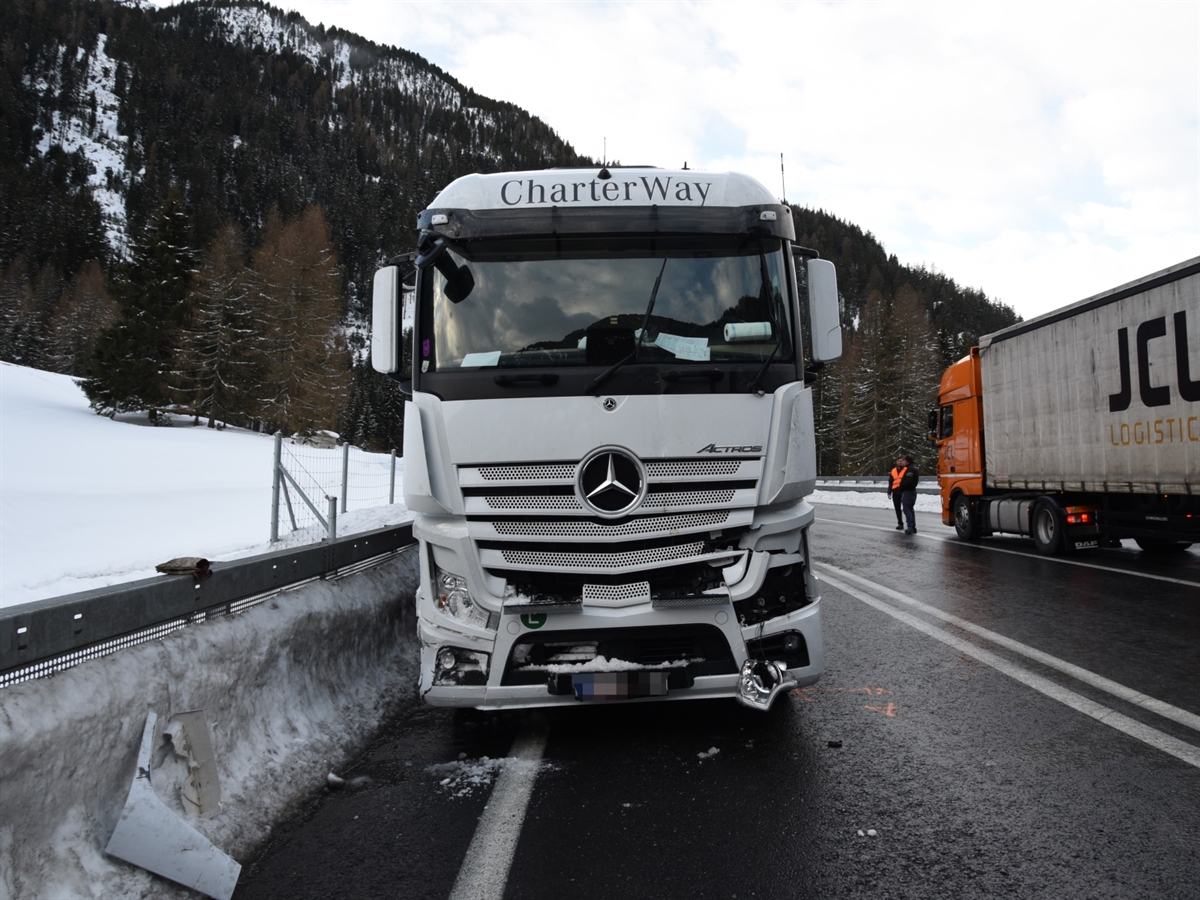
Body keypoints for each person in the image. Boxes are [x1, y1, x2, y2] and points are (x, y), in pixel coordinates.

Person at [898, 454, 919, 534]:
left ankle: (910, 526)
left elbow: (908, 480)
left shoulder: (910, 469)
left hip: (908, 491)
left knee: (907, 509)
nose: (902, 462)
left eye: (903, 460)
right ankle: (913, 526)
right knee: (911, 509)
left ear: (907, 461)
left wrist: (901, 485)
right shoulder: (914, 468)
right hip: (912, 491)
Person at [887, 457, 907, 529]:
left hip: (904, 491)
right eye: (898, 461)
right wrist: (889, 492)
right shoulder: (893, 470)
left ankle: (909, 523)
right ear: (896, 462)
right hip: (895, 491)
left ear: (904, 462)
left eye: (901, 461)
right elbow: (890, 482)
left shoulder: (906, 470)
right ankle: (900, 523)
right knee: (897, 509)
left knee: (906, 508)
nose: (900, 462)